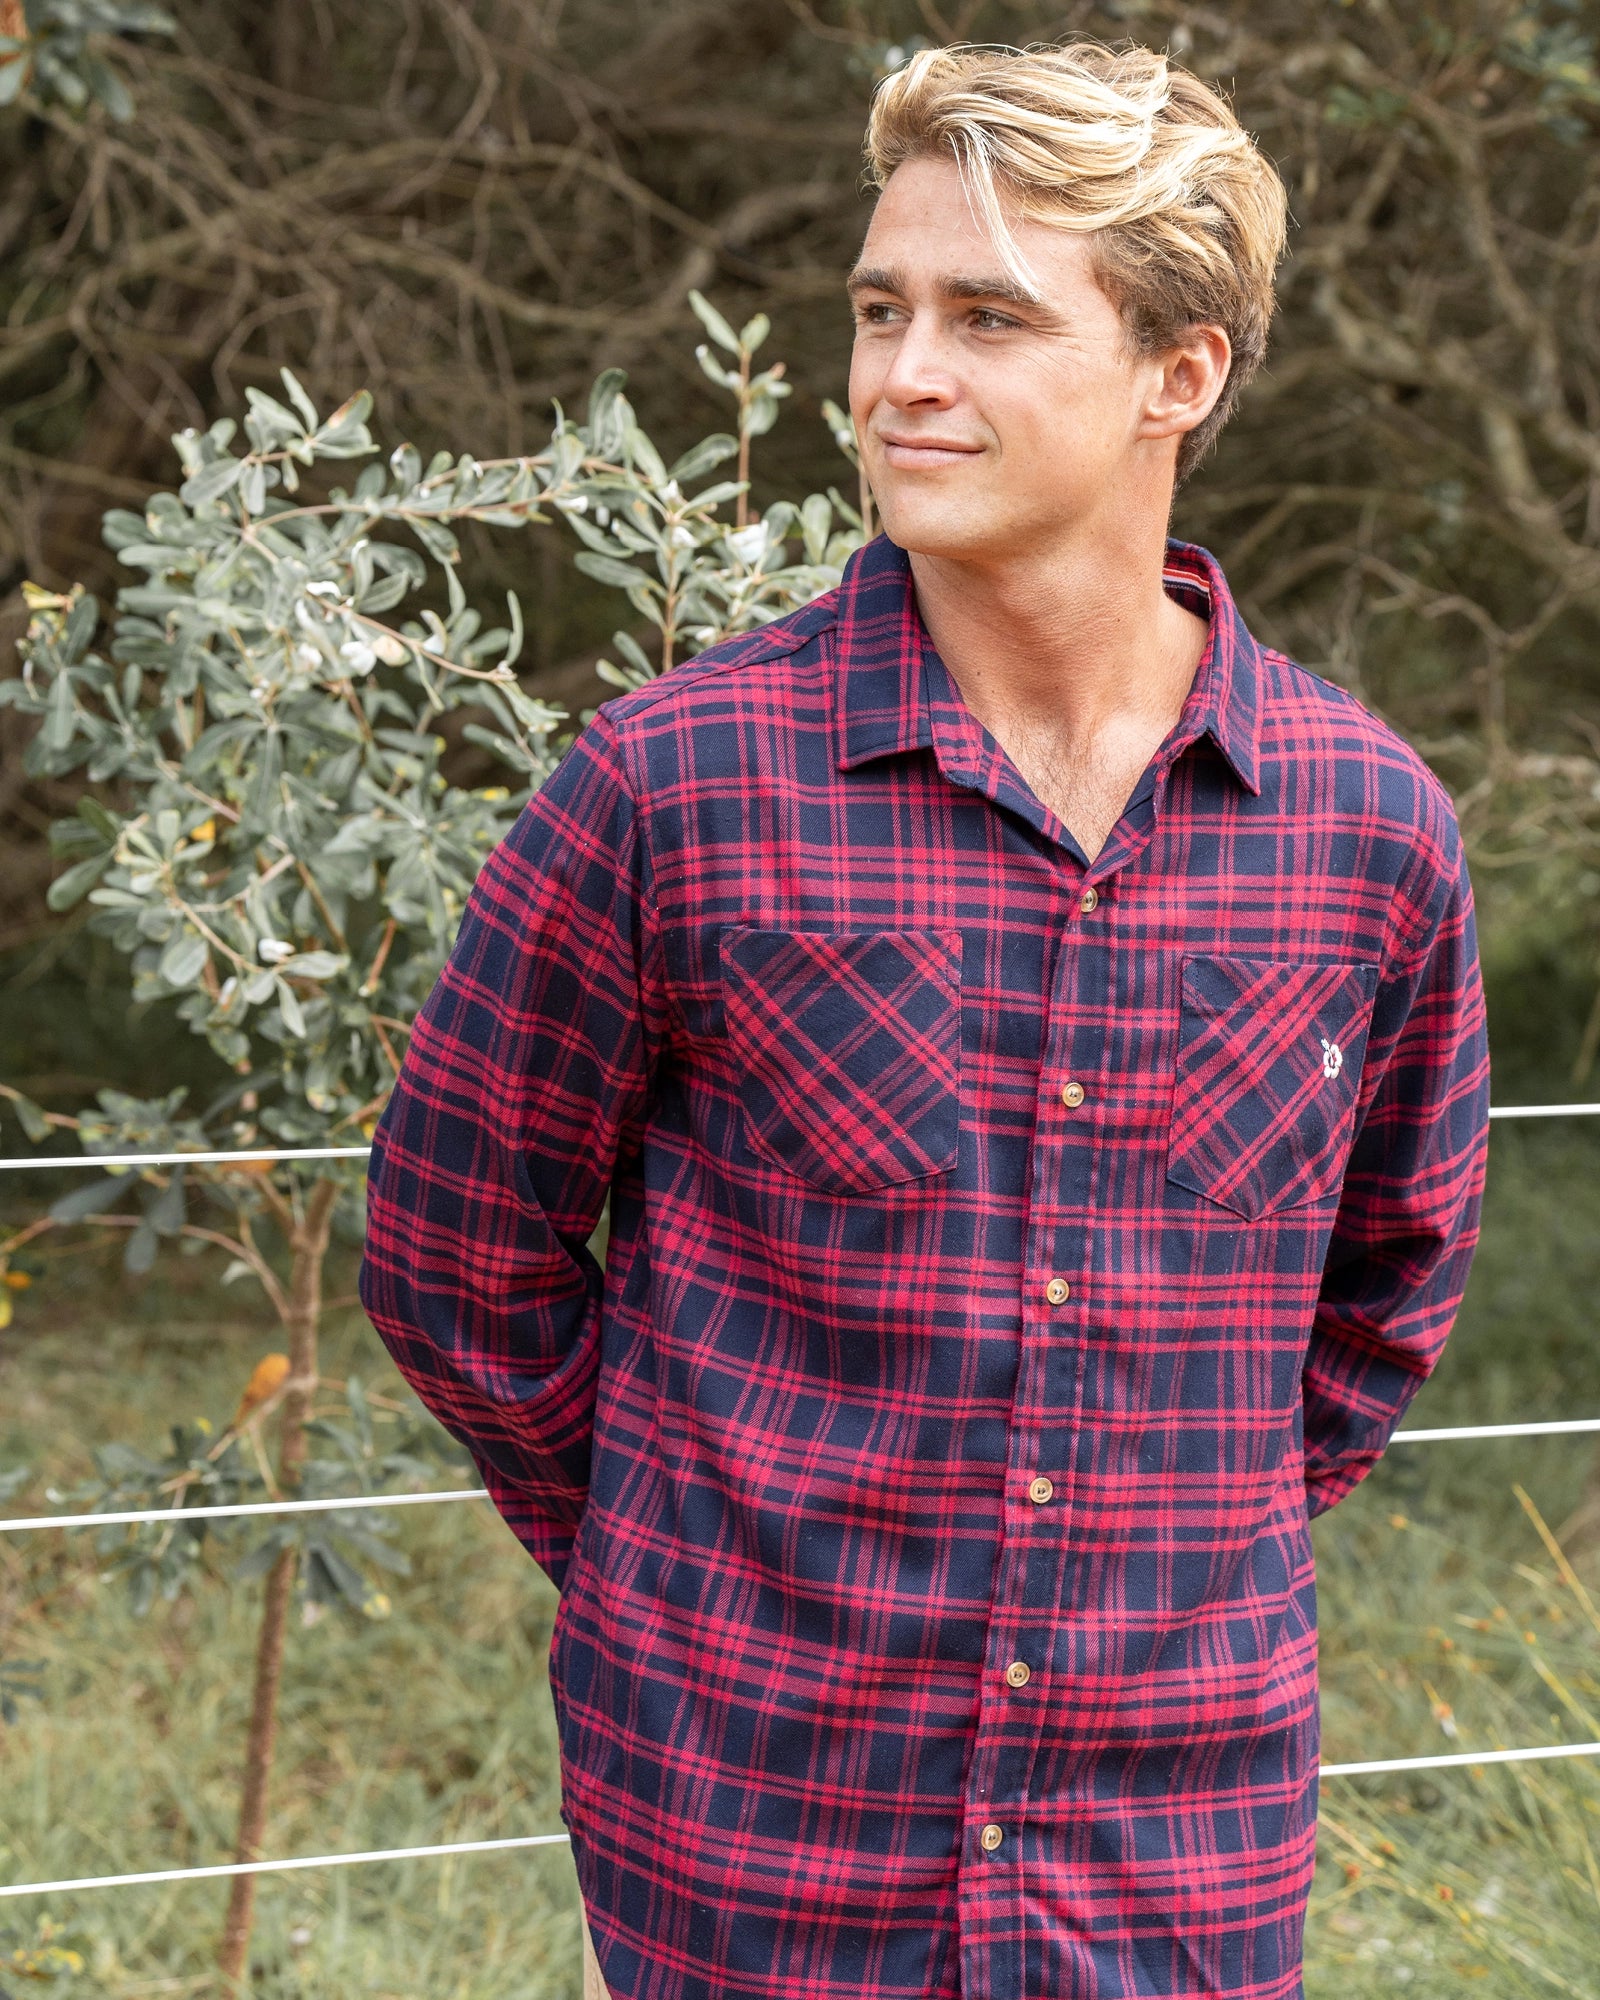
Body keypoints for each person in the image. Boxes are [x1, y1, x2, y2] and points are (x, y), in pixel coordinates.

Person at [360, 40, 1490, 2000]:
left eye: (985, 317)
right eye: (879, 310)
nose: (898, 376)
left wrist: (1161, 1571)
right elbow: (455, 1259)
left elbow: (1379, 1296)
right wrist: (676, 1557)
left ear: (1179, 371)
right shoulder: (670, 788)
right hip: (750, 1838)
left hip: (1175, 1854)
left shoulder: (1365, 832)